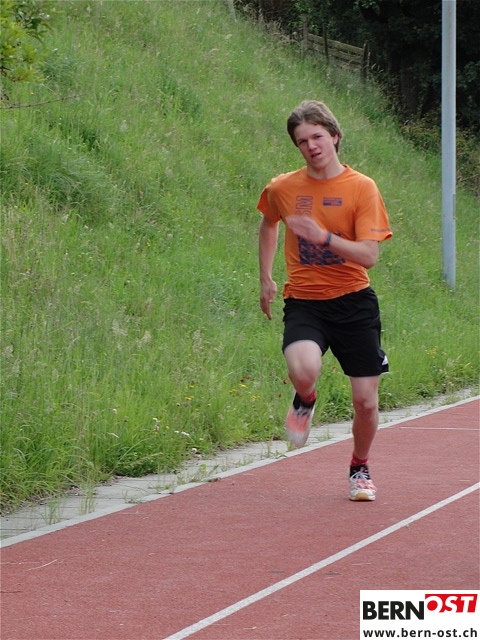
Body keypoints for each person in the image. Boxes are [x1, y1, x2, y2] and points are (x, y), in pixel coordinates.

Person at [257, 100, 392, 501]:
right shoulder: (283, 188)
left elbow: (369, 255)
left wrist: (323, 237)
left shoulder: (361, 187)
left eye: (317, 136)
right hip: (305, 301)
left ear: (334, 136)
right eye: (302, 141)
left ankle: (359, 466)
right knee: (303, 370)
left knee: (365, 402)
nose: (311, 146)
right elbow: (268, 222)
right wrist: (265, 277)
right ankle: (305, 399)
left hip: (354, 303)